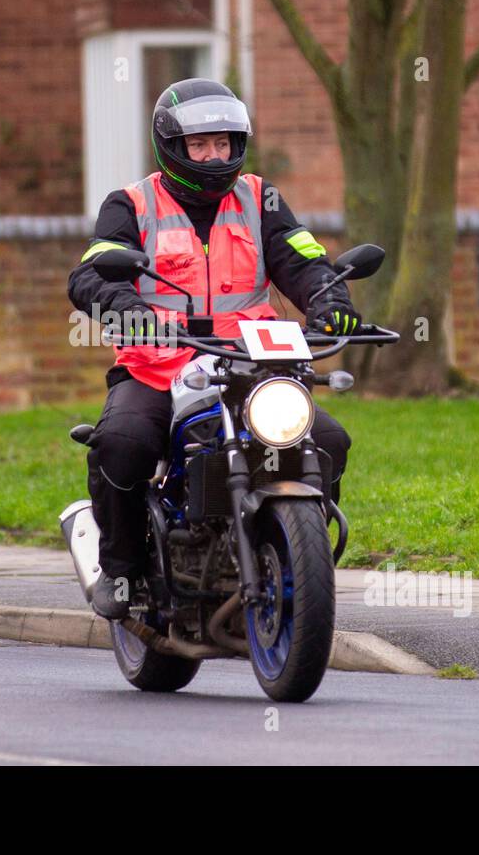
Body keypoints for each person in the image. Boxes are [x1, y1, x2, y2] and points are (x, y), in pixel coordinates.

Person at [67, 78, 362, 619]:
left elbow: (303, 261)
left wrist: (328, 300)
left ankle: (299, 552)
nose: (213, 155)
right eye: (200, 145)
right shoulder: (131, 203)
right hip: (160, 368)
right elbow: (89, 275)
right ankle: (124, 571)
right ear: (173, 148)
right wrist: (126, 308)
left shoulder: (260, 197)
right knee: (122, 445)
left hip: (251, 367)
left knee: (328, 440)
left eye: (223, 143)